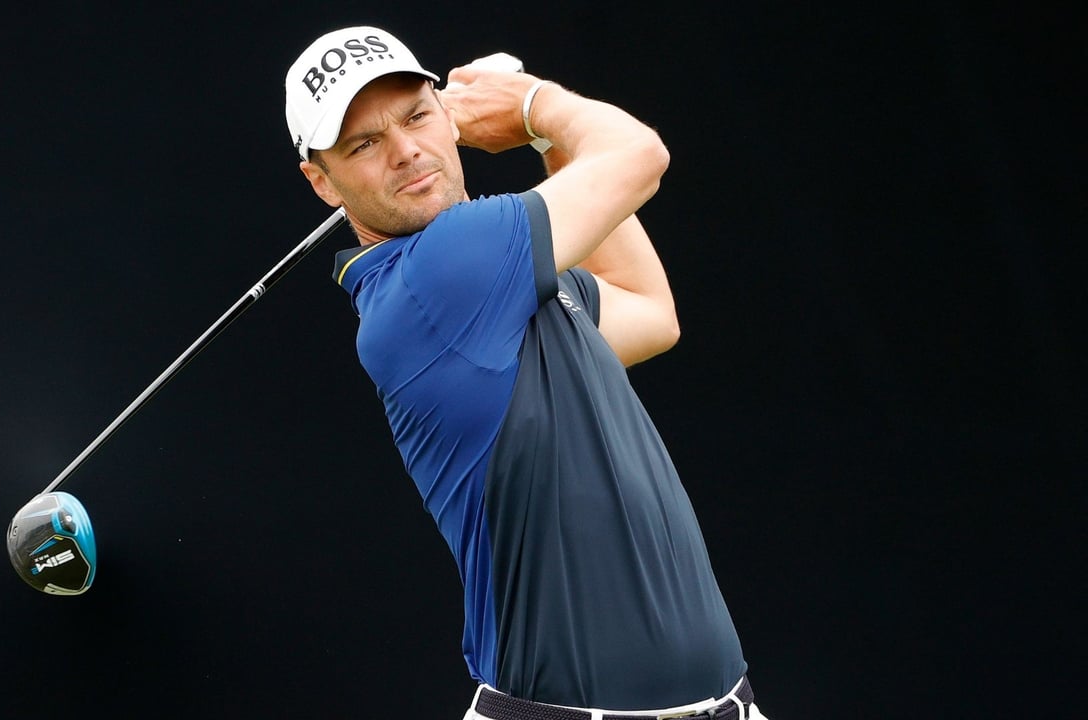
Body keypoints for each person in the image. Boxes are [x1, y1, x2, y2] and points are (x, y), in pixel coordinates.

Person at [284, 25, 767, 720]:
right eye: (364, 144)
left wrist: (547, 143)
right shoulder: (440, 274)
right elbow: (640, 154)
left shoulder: (502, 280)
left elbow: (652, 314)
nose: (407, 151)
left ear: (446, 116)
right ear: (321, 181)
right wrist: (534, 106)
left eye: (418, 115)